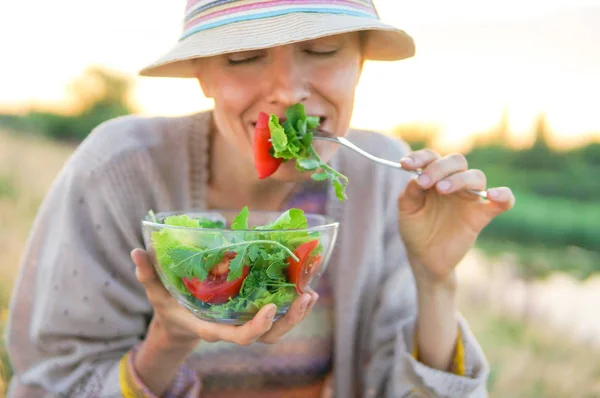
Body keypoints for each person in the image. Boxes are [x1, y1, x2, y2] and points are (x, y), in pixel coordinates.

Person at [5, 1, 515, 397]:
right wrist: (168, 341)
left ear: (360, 60)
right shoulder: (118, 170)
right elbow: (48, 382)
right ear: (201, 73)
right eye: (244, 57)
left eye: (322, 50)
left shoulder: (384, 179)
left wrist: (436, 282)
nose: (289, 91)